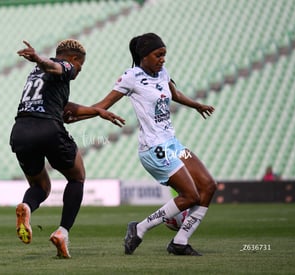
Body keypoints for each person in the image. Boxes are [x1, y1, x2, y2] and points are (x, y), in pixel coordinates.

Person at [67, 33, 217, 255]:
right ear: (143, 56)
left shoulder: (163, 73)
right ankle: (140, 228)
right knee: (190, 196)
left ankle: (180, 242)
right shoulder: (131, 77)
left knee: (208, 185)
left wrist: (196, 105)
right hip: (154, 149)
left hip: (173, 145)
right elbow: (103, 104)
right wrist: (76, 116)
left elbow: (174, 94)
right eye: (158, 55)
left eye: (164, 55)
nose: (163, 59)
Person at [9, 39, 125, 259]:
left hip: (20, 130)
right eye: (80, 66)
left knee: (40, 186)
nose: (78, 71)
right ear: (74, 59)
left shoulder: (37, 76)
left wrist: (97, 111)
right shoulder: (63, 66)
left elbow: (66, 108)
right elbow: (57, 67)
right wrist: (39, 58)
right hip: (48, 129)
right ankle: (62, 232)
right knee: (77, 176)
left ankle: (26, 206)